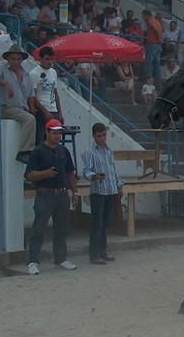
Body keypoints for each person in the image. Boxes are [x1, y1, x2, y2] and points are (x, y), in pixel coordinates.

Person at [24, 119, 80, 275]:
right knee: (38, 229)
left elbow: (70, 173)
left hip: (61, 193)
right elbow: (29, 174)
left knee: (62, 229)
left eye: (59, 133)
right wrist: (44, 174)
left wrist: (74, 192)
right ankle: (33, 261)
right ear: (47, 133)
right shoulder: (38, 151)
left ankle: (61, 258)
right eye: (54, 133)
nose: (58, 136)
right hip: (44, 193)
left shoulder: (64, 151)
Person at [0, 45, 36, 163]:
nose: (16, 61)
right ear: (8, 59)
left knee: (33, 120)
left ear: (22, 60)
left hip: (22, 108)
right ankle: (24, 151)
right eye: (13, 59)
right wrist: (5, 83)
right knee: (29, 119)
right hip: (6, 107)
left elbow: (30, 94)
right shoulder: (2, 69)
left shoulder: (26, 74)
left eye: (18, 59)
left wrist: (32, 109)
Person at [81, 123, 123, 265]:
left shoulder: (109, 150)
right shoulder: (90, 152)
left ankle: (103, 251)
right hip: (98, 191)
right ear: (94, 136)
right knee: (96, 224)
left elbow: (113, 170)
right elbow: (86, 171)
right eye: (99, 136)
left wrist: (119, 186)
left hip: (110, 190)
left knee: (106, 224)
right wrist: (94, 175)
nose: (102, 138)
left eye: (104, 135)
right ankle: (94, 254)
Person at [29, 46, 64, 145]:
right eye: (47, 59)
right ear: (41, 59)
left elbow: (55, 92)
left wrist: (60, 112)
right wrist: (44, 112)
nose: (49, 62)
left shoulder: (53, 72)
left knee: (54, 141)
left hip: (53, 110)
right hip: (41, 112)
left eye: (51, 59)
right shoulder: (34, 73)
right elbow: (33, 95)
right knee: (40, 140)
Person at [142, 9, 163, 87]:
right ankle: (158, 84)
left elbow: (156, 30)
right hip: (157, 45)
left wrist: (159, 38)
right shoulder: (157, 21)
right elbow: (160, 30)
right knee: (157, 65)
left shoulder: (150, 22)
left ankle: (148, 82)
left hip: (152, 44)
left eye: (143, 16)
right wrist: (160, 40)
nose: (143, 18)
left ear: (147, 15)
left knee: (148, 64)